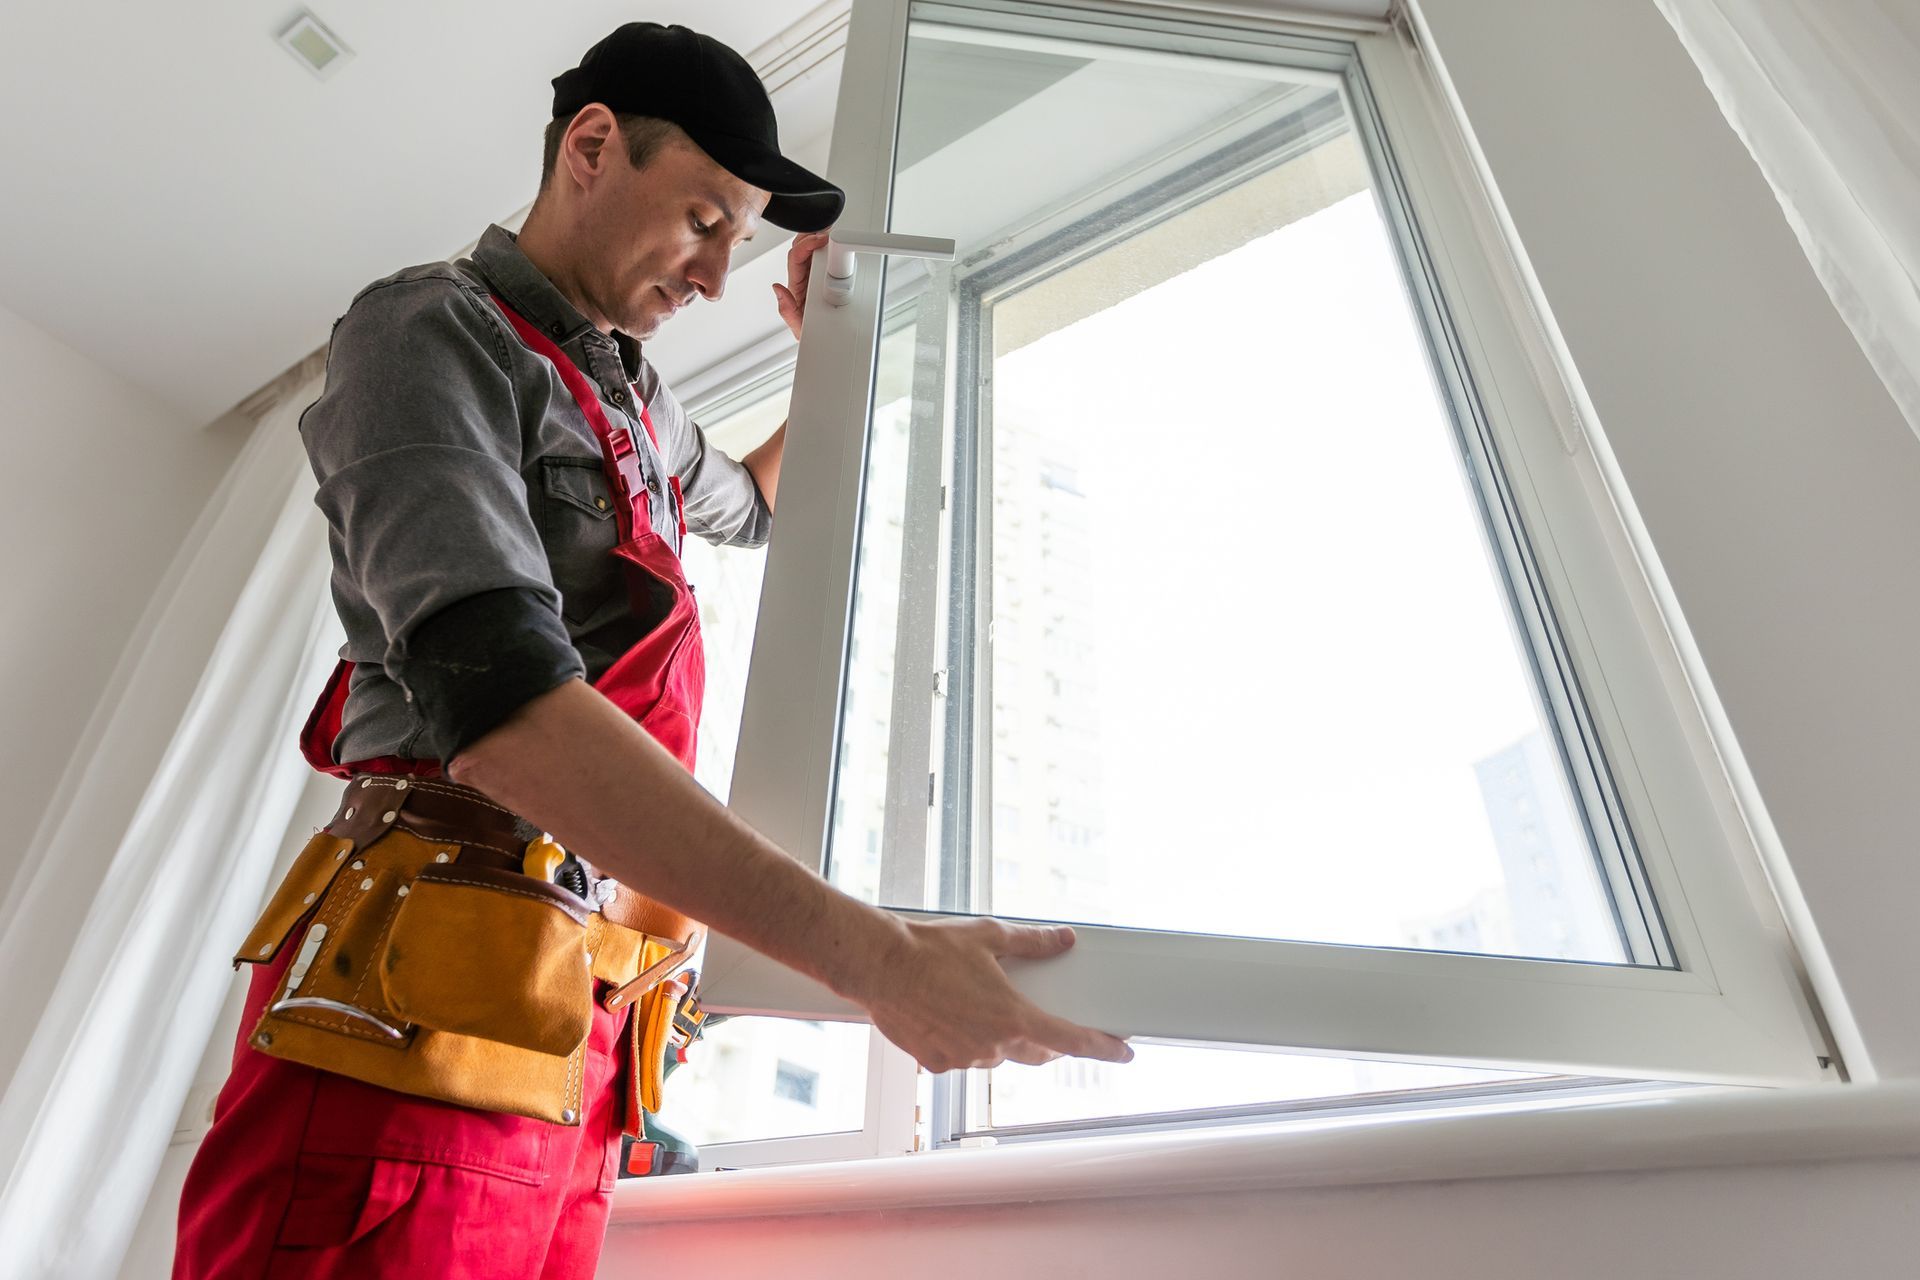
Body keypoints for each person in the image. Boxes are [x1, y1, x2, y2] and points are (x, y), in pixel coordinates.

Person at [172, 21, 1131, 1279]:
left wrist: (833, 351)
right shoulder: (425, 332)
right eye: (704, 219)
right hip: (422, 986)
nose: (720, 274)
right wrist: (881, 959)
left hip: (585, 1016)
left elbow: (759, 504)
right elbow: (501, 702)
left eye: (741, 239)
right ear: (591, 146)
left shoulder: (639, 403)